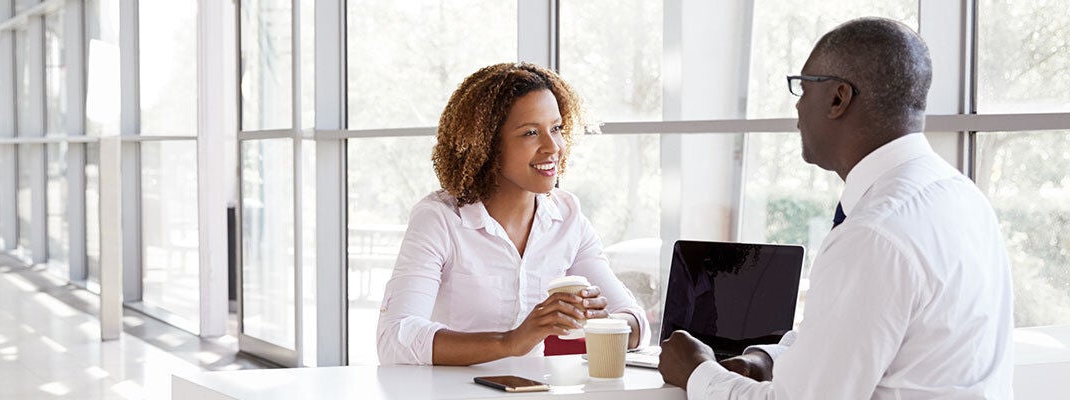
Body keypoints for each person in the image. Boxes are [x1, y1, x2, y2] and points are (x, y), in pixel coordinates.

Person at [658, 17, 1015, 398]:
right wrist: (770, 359)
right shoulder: (960, 196)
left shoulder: (874, 233)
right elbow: (874, 340)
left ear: (837, 98)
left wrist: (696, 370)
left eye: (803, 87)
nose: (797, 107)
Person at [377, 62, 649, 366]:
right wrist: (511, 341)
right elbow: (394, 338)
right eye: (531, 132)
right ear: (486, 144)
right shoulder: (440, 219)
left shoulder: (567, 217)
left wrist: (604, 320)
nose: (553, 146)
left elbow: (637, 322)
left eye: (556, 128)